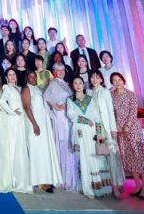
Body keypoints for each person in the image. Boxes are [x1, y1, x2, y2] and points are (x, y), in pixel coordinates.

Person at [66, 76, 113, 199]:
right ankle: (88, 188)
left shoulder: (90, 99)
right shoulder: (70, 100)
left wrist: (99, 134)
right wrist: (86, 120)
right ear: (72, 86)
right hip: (80, 131)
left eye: (80, 83)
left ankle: (99, 188)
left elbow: (97, 117)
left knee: (95, 157)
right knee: (84, 158)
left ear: (83, 85)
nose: (78, 85)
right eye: (75, 83)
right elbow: (71, 115)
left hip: (92, 132)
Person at [111, 72, 144, 199]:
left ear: (123, 81)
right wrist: (116, 126)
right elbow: (112, 112)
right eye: (114, 80)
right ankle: (137, 186)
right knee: (130, 158)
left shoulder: (131, 95)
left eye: (119, 80)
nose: (117, 82)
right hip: (120, 131)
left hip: (133, 129)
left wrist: (127, 126)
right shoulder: (111, 95)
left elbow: (133, 112)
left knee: (139, 157)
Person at [22, 71, 62, 192]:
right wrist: (35, 124)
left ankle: (46, 178)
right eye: (30, 76)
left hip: (43, 124)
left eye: (35, 76)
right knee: (37, 152)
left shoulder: (38, 89)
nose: (33, 78)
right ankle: (40, 181)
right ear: (27, 78)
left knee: (44, 152)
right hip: (34, 123)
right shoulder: (26, 89)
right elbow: (27, 107)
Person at [43, 63, 79, 191]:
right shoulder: (53, 83)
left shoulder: (65, 84)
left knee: (69, 144)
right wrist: (56, 107)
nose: (61, 72)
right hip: (60, 118)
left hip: (68, 117)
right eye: (58, 70)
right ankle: (63, 178)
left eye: (62, 70)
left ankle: (70, 177)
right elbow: (45, 97)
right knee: (63, 144)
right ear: (54, 71)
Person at [89, 70, 123, 198]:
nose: (94, 80)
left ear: (101, 79)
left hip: (106, 128)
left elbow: (110, 111)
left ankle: (116, 186)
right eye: (92, 77)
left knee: (112, 157)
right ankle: (105, 186)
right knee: (101, 156)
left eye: (97, 77)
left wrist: (113, 129)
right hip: (95, 129)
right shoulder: (89, 92)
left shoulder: (105, 92)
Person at [0, 68, 31, 193]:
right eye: (9, 75)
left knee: (20, 148)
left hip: (20, 121)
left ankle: (21, 178)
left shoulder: (18, 88)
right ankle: (12, 179)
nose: (12, 76)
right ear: (6, 78)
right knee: (13, 148)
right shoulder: (7, 87)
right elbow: (2, 101)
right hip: (12, 121)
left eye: (13, 74)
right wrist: (12, 112)